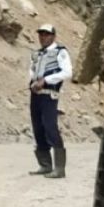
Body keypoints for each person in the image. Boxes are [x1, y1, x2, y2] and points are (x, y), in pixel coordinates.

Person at [27, 24, 74, 179]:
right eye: (41, 34)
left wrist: (45, 80)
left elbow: (67, 72)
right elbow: (32, 70)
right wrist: (32, 82)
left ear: (53, 36)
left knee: (50, 127)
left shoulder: (60, 52)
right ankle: (45, 165)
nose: (43, 37)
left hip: (49, 94)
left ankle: (60, 168)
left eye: (46, 34)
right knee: (38, 128)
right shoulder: (36, 54)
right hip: (36, 95)